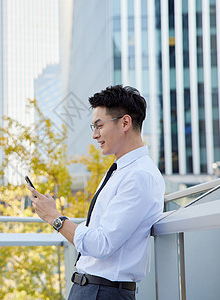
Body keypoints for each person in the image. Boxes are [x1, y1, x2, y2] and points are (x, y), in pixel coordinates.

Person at [27, 85, 165, 300]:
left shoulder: (139, 176)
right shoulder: (121, 171)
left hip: (104, 292)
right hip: (92, 288)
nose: (94, 135)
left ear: (125, 122)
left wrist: (55, 218)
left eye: (99, 126)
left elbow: (102, 244)